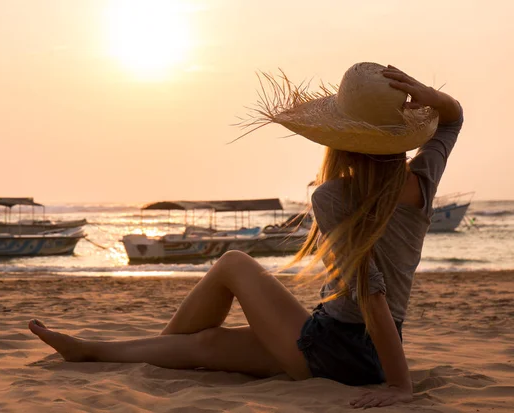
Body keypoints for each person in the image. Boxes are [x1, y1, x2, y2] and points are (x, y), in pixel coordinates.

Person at [28, 63, 463, 409]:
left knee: (234, 262)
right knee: (208, 344)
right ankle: (98, 352)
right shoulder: (423, 181)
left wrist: (400, 385)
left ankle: (134, 353)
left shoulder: (334, 196)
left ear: (340, 140)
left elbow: (371, 292)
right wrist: (432, 96)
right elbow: (453, 118)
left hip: (338, 348)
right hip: (368, 352)